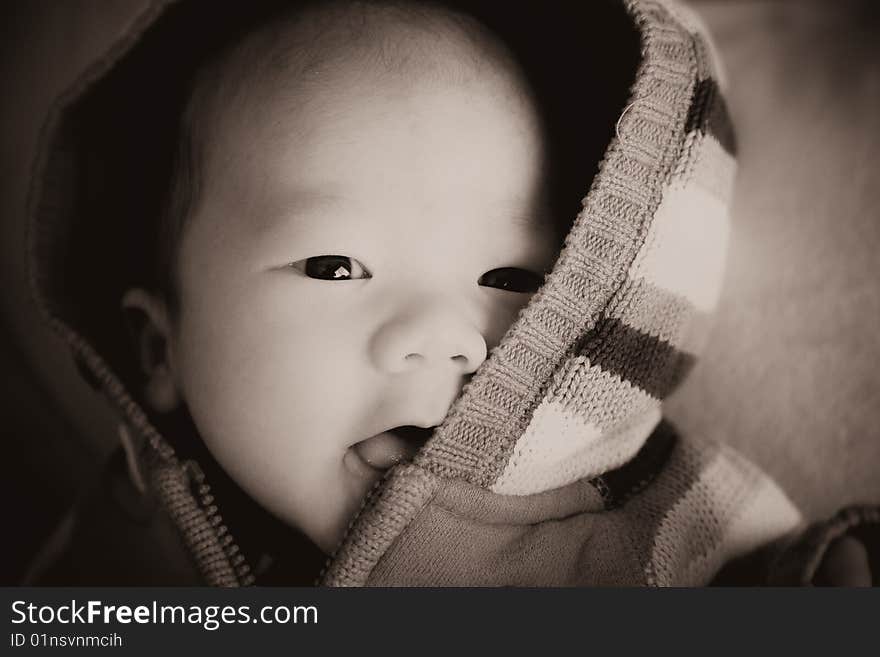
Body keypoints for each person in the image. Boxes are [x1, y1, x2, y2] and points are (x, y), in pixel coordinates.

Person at [25, 0, 876, 586]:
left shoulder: (658, 522)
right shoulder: (115, 559)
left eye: (512, 279)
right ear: (157, 350)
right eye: (333, 265)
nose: (443, 336)